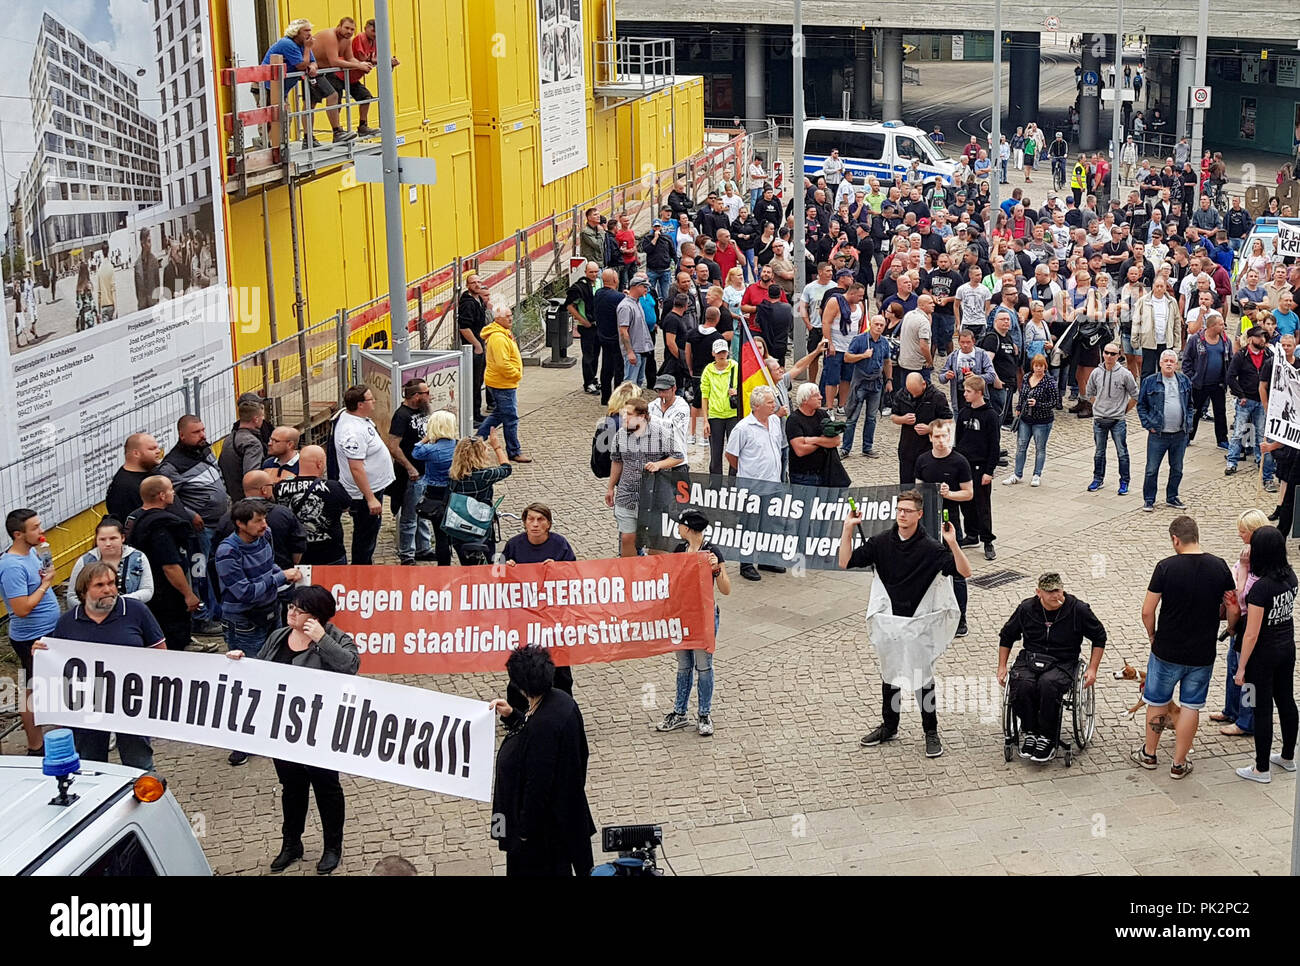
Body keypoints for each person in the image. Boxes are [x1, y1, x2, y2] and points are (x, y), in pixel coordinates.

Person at [227, 584, 359, 874]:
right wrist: (241, 662)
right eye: (291, 607)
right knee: (292, 787)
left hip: (320, 730)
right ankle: (291, 843)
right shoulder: (279, 637)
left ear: (316, 617)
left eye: (300, 610)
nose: (292, 613)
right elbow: (260, 669)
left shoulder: (335, 638)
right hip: (284, 730)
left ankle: (332, 846)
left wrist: (322, 640)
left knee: (327, 788)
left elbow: (349, 666)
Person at [839, 489, 972, 758]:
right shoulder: (881, 542)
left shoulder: (931, 548)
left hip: (919, 622)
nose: (902, 515)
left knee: (922, 679)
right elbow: (845, 562)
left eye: (908, 511)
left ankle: (931, 731)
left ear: (919, 514)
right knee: (890, 675)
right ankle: (890, 726)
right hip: (890, 621)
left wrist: (952, 543)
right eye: (899, 510)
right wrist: (847, 529)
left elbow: (965, 571)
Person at [1135, 516, 1237, 778]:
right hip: (1201, 652)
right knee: (1191, 705)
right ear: (1197, 536)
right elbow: (1233, 606)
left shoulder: (1165, 567)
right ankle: (1179, 764)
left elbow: (1148, 610)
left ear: (1175, 539)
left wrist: (1152, 635)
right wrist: (1230, 627)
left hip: (1167, 650)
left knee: (1157, 701)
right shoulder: (1220, 567)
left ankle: (1149, 754)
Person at [489, 646, 596, 875]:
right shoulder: (563, 702)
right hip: (563, 823)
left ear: (520, 685)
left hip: (541, 841)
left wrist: (524, 832)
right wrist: (513, 716)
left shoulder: (542, 728)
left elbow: (537, 786)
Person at [51, 562, 166, 771]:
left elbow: (159, 652)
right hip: (87, 708)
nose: (108, 589)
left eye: (112, 583)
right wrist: (42, 653)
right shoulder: (67, 623)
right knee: (90, 767)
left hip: (131, 703)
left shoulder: (136, 610)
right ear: (84, 591)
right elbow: (59, 669)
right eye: (100, 585)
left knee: (139, 766)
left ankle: (147, 803)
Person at [998, 572, 1106, 763]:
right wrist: (1002, 666)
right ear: (1038, 592)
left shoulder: (1078, 609)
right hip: (1031, 657)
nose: (1056, 595)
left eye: (1058, 590)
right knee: (1021, 683)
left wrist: (1092, 669)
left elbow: (1099, 637)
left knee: (1049, 684)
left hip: (1063, 659)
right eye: (1050, 592)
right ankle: (1030, 731)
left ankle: (1047, 736)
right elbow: (1007, 636)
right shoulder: (1026, 609)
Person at [1233, 526, 1300, 783]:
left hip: (1262, 656)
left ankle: (1261, 768)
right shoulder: (1290, 577)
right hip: (1286, 648)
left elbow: (1251, 634)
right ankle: (1288, 756)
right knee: (1286, 700)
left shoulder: (1260, 590)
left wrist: (1241, 668)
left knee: (1260, 707)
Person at [656, 510, 731, 737]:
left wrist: (716, 569)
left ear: (688, 528)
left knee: (704, 666)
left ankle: (704, 713)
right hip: (682, 615)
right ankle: (679, 712)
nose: (677, 528)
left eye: (680, 525)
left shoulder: (712, 552)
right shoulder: (680, 550)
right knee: (683, 665)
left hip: (703, 617)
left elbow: (726, 589)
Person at [159, 414, 229, 629]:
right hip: (200, 530)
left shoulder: (206, 450)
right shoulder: (171, 465)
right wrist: (190, 515)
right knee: (200, 574)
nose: (202, 435)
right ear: (181, 435)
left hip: (221, 523)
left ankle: (219, 611)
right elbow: (170, 497)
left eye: (203, 430)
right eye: (196, 432)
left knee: (219, 569)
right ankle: (202, 618)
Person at [1, 509, 59, 755]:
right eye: (35, 528)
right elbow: (21, 608)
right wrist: (46, 585)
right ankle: (36, 746)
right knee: (32, 689)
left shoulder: (34, 552)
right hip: (31, 637)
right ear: (18, 535)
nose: (41, 531)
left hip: (48, 630)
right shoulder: (12, 566)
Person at [914, 420, 973, 637]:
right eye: (936, 436)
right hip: (927, 523)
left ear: (949, 437)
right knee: (926, 571)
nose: (940, 440)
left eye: (944, 436)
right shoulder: (922, 460)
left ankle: (961, 618)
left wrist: (949, 494)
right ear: (930, 438)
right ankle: (929, 615)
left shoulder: (959, 462)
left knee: (956, 572)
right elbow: (917, 490)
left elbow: (968, 493)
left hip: (950, 523)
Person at [1216, 509, 1270, 739]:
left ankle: (1247, 721)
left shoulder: (1258, 562)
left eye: (1244, 531)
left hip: (1249, 623)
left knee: (1245, 674)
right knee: (1232, 669)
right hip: (1237, 623)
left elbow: (1241, 595)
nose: (1240, 534)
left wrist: (1242, 568)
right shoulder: (1249, 552)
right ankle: (1232, 710)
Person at [130, 476, 201, 652]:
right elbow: (170, 566)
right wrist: (188, 594)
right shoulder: (160, 526)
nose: (173, 492)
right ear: (162, 496)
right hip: (166, 595)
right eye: (170, 490)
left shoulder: (134, 518)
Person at [607, 396, 684, 557]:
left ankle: (655, 576)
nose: (624, 418)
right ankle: (631, 575)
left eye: (628, 414)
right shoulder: (620, 435)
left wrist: (659, 465)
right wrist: (610, 487)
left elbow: (678, 456)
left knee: (656, 541)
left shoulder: (661, 433)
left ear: (641, 416)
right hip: (627, 494)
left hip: (654, 496)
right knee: (627, 537)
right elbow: (617, 461)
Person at [260, 19, 358, 144]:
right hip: (267, 86)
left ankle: (279, 147)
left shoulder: (303, 44)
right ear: (296, 32)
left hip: (281, 88)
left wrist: (312, 66)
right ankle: (269, 147)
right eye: (306, 30)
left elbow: (312, 61)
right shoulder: (288, 43)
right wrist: (307, 50)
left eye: (310, 30)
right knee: (273, 119)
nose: (309, 33)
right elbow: (301, 65)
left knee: (284, 118)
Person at [726, 385, 786, 581]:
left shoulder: (775, 422)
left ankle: (767, 558)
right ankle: (746, 563)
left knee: (771, 523)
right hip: (751, 486)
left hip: (773, 482)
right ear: (757, 406)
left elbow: (777, 447)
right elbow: (731, 455)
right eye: (770, 402)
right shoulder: (743, 428)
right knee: (749, 525)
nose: (774, 405)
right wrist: (748, 470)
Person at [334, 385, 395, 565]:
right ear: (360, 404)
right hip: (363, 494)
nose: (374, 401)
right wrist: (370, 498)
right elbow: (356, 468)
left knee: (368, 533)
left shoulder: (358, 419)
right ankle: (361, 568)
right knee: (365, 535)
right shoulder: (352, 431)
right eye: (370, 399)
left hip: (373, 487)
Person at [274, 445, 351, 566]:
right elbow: (346, 507)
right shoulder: (333, 487)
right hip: (330, 555)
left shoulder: (280, 487)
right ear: (320, 464)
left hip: (296, 555)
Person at [1137, 349, 1193, 511]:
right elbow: (1142, 405)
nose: (1169, 363)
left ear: (1176, 364)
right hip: (1158, 435)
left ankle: (1172, 496)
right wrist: (1149, 425)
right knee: (1151, 469)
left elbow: (1190, 404)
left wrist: (1188, 423)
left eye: (1172, 361)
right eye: (1166, 361)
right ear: (1160, 363)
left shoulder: (1184, 381)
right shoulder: (1150, 381)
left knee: (1177, 468)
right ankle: (1149, 499)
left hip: (1179, 434)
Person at [447, 431, 513, 565]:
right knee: (489, 565)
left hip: (459, 528)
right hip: (482, 527)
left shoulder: (453, 475)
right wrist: (497, 447)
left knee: (466, 567)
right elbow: (507, 468)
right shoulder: (484, 475)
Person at [476, 306, 531, 463]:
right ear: (498, 319)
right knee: (511, 418)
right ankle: (514, 451)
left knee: (499, 414)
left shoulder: (502, 334)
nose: (511, 318)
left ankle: (476, 441)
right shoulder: (498, 338)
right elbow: (502, 364)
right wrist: (516, 373)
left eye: (511, 315)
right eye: (507, 316)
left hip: (503, 382)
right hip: (503, 383)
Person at [388, 378, 434, 565]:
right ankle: (407, 554)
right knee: (409, 516)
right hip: (411, 475)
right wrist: (409, 467)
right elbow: (393, 446)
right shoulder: (402, 415)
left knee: (423, 513)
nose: (429, 396)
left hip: (425, 471)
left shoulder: (422, 411)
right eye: (426, 393)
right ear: (416, 396)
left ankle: (424, 548)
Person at [954, 376, 1000, 561]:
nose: (965, 394)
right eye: (964, 391)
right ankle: (971, 534)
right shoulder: (964, 413)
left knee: (982, 505)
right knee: (966, 503)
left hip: (981, 466)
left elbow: (994, 445)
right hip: (964, 466)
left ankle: (987, 540)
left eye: (968, 391)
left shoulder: (990, 415)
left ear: (979, 393)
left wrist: (989, 471)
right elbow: (958, 438)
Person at [1085, 342, 1139, 494]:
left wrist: (1123, 411)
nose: (1109, 356)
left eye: (1113, 354)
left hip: (1117, 420)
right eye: (1106, 352)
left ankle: (1124, 481)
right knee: (1099, 452)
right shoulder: (1096, 372)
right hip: (1099, 419)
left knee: (1122, 452)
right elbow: (1089, 392)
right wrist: (1098, 407)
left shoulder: (1125, 374)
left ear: (1118, 356)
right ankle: (1097, 478)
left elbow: (1135, 395)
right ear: (1103, 353)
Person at [408, 412, 459, 567]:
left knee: (440, 534)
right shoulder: (457, 445)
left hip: (435, 493)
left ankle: (444, 566)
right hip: (454, 491)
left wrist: (425, 438)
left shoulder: (430, 449)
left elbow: (415, 452)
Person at [1225, 326, 1272, 486]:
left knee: (1260, 433)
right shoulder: (1241, 355)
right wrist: (1240, 395)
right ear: (1251, 339)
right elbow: (1230, 376)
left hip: (1262, 400)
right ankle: (1232, 462)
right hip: (1246, 399)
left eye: (1264, 337)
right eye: (1259, 337)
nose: (1262, 340)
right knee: (1238, 432)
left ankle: (1261, 461)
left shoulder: (1268, 355)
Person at [67, 517, 153, 604]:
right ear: (96, 540)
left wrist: (119, 602)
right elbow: (72, 596)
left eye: (113, 538)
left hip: (131, 611)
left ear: (122, 538)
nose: (108, 544)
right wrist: (94, 608)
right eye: (102, 539)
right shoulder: (85, 561)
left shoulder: (138, 557)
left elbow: (147, 590)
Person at [841, 313, 892, 458]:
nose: (879, 327)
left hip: (876, 384)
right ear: (871, 324)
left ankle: (867, 447)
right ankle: (846, 448)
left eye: (882, 325)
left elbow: (887, 361)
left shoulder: (884, 342)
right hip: (860, 384)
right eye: (876, 324)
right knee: (852, 418)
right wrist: (863, 355)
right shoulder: (859, 340)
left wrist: (889, 380)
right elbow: (847, 357)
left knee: (871, 418)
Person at [1004, 354, 1058, 486]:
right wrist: (1018, 407)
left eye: (1041, 366)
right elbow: (1022, 394)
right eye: (1036, 366)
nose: (1038, 368)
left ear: (1045, 367)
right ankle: (1017, 473)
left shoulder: (1049, 382)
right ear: (1032, 366)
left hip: (1042, 421)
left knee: (1040, 448)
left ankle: (1037, 474)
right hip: (1026, 419)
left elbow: (1055, 402)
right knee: (1021, 446)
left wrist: (1038, 404)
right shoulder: (1027, 377)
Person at [891, 371, 952, 486]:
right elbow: (894, 416)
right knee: (906, 483)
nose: (913, 395)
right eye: (910, 392)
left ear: (924, 384)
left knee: (929, 484)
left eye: (916, 392)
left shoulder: (937, 396)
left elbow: (948, 420)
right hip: (907, 446)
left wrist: (930, 428)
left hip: (928, 448)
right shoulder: (902, 394)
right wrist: (903, 419)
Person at [1183, 313, 1232, 448]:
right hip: (1199, 384)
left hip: (1218, 384)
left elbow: (1230, 359)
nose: (1224, 326)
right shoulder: (1196, 340)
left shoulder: (1226, 340)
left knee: (1220, 412)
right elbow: (1186, 360)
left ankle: (1222, 439)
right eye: (1221, 324)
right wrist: (1191, 378)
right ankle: (1188, 436)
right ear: (1212, 326)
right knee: (1195, 411)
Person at [786, 382, 843, 487]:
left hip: (824, 473)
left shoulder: (822, 415)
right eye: (816, 395)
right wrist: (824, 441)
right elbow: (800, 450)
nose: (821, 397)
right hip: (803, 477)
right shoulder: (794, 420)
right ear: (805, 399)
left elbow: (836, 441)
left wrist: (813, 440)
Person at [106, 433, 166, 523]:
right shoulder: (124, 488)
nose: (158, 451)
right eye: (152, 449)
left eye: (157, 447)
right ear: (136, 453)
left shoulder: (152, 470)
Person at [219, 396, 268, 502]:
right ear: (256, 419)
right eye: (262, 416)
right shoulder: (253, 443)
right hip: (246, 500)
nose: (263, 419)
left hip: (231, 494)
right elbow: (251, 477)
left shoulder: (229, 438)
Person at [458, 273, 490, 421]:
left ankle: (476, 413)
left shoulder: (478, 301)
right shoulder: (468, 303)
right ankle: (472, 415)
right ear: (468, 286)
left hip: (479, 346)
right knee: (473, 382)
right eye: (473, 283)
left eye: (479, 282)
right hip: (473, 349)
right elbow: (464, 327)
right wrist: (477, 345)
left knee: (478, 382)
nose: (477, 285)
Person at [566, 260, 601, 394]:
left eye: (596, 272)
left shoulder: (599, 283)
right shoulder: (579, 287)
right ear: (586, 272)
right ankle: (588, 382)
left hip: (598, 325)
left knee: (596, 354)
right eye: (591, 272)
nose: (594, 274)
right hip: (586, 326)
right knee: (588, 355)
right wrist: (582, 320)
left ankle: (593, 378)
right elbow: (569, 305)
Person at [593, 269, 626, 405]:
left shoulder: (598, 294)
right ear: (614, 280)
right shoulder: (619, 298)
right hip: (616, 338)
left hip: (603, 335)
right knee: (619, 369)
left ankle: (605, 397)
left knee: (606, 367)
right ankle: (617, 398)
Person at [617, 273, 654, 386]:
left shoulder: (637, 303)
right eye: (644, 287)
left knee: (638, 382)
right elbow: (623, 331)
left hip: (642, 349)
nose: (646, 290)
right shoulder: (625, 306)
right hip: (634, 351)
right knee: (630, 383)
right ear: (636, 287)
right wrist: (629, 352)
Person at [649, 373, 690, 462]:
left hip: (677, 460)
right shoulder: (652, 406)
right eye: (659, 391)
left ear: (674, 388)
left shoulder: (682, 407)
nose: (661, 394)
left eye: (665, 391)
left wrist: (650, 419)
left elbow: (673, 427)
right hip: (655, 460)